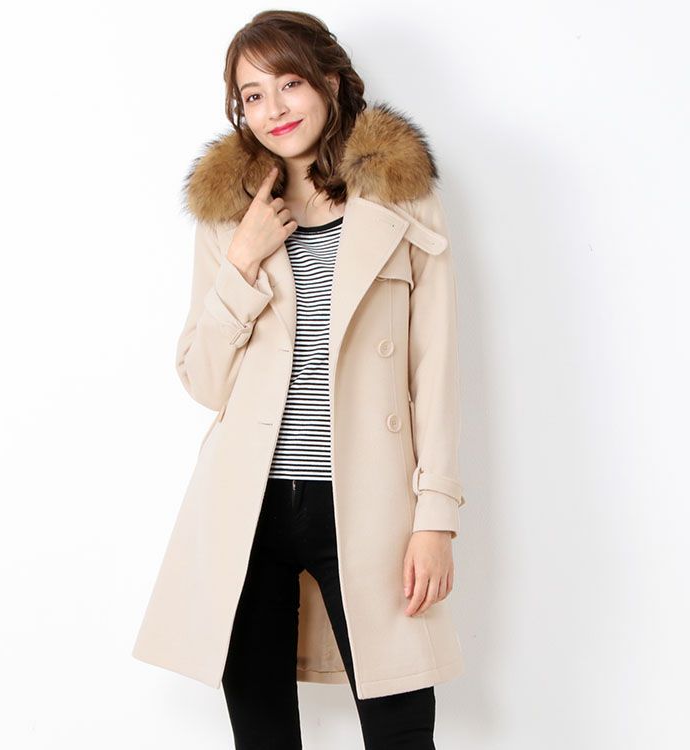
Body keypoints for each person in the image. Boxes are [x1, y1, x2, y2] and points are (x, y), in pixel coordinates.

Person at [133, 10, 467, 750]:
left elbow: (436, 364)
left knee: (402, 729)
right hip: (247, 507)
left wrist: (435, 518)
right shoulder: (229, 216)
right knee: (263, 736)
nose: (273, 109)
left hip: (370, 500)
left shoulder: (402, 197)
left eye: (288, 83)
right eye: (252, 95)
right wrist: (242, 260)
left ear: (331, 82)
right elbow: (203, 381)